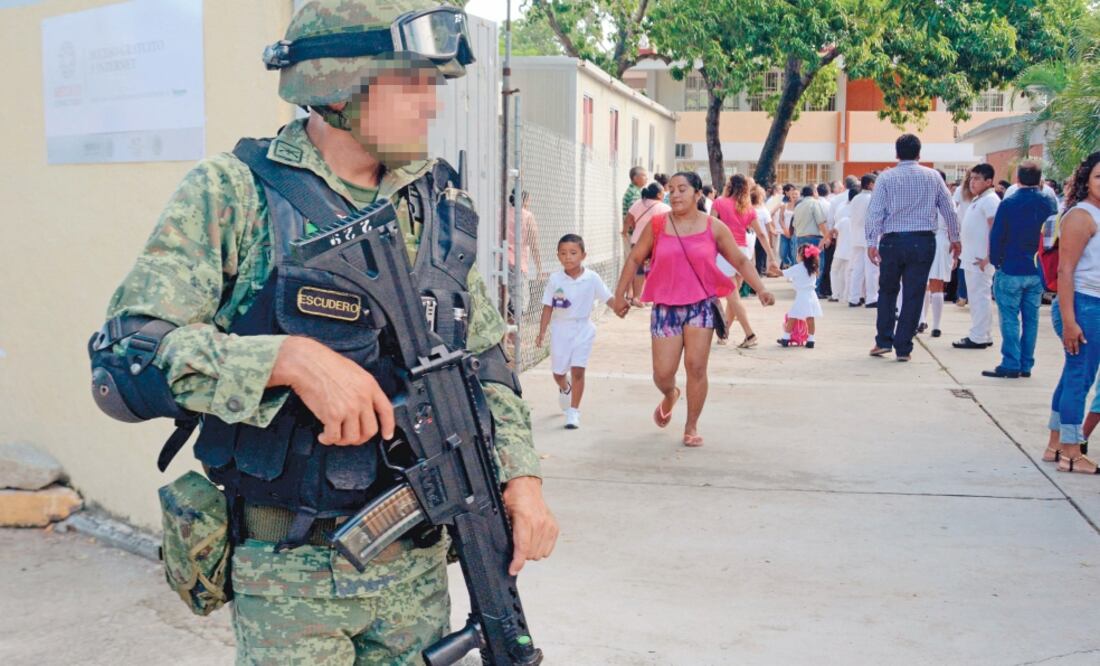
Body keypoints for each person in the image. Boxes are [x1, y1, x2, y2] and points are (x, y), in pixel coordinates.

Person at [87, 2, 558, 661]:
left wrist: (522, 480)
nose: (431, 106)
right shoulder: (235, 193)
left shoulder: (439, 208)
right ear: (340, 84)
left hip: (417, 581)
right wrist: (286, 360)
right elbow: (126, 361)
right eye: (411, 84)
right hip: (289, 578)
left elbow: (485, 364)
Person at [612, 172, 775, 447]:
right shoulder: (658, 224)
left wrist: (761, 288)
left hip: (700, 305)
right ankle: (670, 395)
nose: (675, 194)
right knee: (663, 373)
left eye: (682, 189)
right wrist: (619, 295)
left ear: (698, 194)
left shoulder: (713, 227)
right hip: (666, 306)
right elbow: (635, 258)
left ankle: (691, 425)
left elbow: (739, 260)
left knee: (696, 367)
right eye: (671, 189)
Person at [866, 134, 961, 362]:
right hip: (923, 240)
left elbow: (875, 212)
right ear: (919, 154)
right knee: (914, 293)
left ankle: (883, 341)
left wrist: (871, 242)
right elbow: (949, 208)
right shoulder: (933, 177)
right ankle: (904, 347)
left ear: (896, 153)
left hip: (892, 240)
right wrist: (955, 237)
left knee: (887, 291)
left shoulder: (886, 178)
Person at [1043, 151, 1100, 474]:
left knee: (1072, 376)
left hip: (1092, 304)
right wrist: (1069, 320)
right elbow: (1066, 271)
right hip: (1083, 304)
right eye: (1098, 177)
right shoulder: (1081, 216)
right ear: (1086, 180)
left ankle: (1054, 444)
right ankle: (1071, 450)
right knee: (1080, 377)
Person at [983, 161, 1059, 378]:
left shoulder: (1009, 202)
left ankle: (1011, 362)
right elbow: (1051, 237)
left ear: (1017, 179)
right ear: (1040, 179)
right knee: (1031, 318)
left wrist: (996, 262)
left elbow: (997, 235)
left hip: (1011, 266)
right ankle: (1026, 364)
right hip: (1036, 268)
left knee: (1009, 317)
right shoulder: (1049, 203)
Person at [535, 234, 613, 429]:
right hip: (561, 328)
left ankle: (573, 412)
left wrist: (621, 306)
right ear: (558, 256)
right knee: (558, 373)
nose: (568, 257)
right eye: (563, 253)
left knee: (578, 370)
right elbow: (548, 307)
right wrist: (542, 332)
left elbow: (608, 297)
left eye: (573, 253)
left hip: (583, 328)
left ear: (583, 255)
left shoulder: (591, 278)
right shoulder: (555, 279)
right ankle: (565, 387)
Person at [712, 174, 780, 348]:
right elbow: (762, 235)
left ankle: (749, 334)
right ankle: (724, 333)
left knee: (733, 298)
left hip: (725, 253)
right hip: (743, 253)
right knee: (733, 298)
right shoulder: (749, 208)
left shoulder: (719, 202)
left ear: (730, 186)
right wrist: (772, 258)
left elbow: (709, 228)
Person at [953, 163, 1001, 350]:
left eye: (977, 179)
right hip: (972, 256)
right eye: (971, 178)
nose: (972, 182)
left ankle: (979, 336)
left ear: (989, 181)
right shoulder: (979, 199)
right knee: (976, 296)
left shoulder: (990, 200)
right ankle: (982, 333)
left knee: (980, 296)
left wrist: (989, 257)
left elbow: (994, 228)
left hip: (980, 259)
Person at [921, 170, 957, 337]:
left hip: (927, 239)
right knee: (936, 285)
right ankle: (935, 325)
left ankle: (923, 320)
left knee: (925, 284)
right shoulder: (948, 199)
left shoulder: (924, 198)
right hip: (942, 241)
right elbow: (954, 223)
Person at [622, 183, 670, 307]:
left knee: (638, 270)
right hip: (656, 243)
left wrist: (625, 231)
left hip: (637, 240)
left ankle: (636, 298)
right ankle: (655, 296)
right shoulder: (664, 208)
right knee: (656, 269)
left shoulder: (638, 203)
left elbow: (628, 219)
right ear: (659, 194)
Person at [506, 190, 544, 320]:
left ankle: (506, 334)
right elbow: (534, 245)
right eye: (528, 200)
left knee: (504, 298)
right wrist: (539, 267)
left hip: (499, 259)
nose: (529, 203)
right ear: (523, 201)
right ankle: (515, 334)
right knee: (519, 300)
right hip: (517, 263)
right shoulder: (527, 216)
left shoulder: (502, 213)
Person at [778, 244, 824, 348]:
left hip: (802, 295)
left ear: (801, 256)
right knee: (810, 318)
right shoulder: (813, 267)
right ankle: (811, 340)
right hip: (812, 295)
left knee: (792, 316)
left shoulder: (798, 267)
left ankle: (786, 338)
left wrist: (772, 269)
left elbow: (782, 273)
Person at [847, 174, 878, 307]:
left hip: (855, 236)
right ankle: (871, 298)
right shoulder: (872, 198)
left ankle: (854, 297)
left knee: (857, 269)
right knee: (871, 269)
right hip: (869, 237)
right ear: (870, 184)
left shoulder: (855, 199)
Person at [829, 188, 858, 307]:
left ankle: (836, 294)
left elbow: (834, 231)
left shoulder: (841, 208)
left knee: (836, 271)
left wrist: (827, 240)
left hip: (840, 248)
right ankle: (847, 295)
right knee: (848, 273)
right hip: (853, 248)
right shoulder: (859, 212)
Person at [776, 184, 800, 268]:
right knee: (782, 254)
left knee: (794, 253)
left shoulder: (800, 206)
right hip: (785, 232)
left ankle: (793, 269)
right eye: (793, 194)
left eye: (796, 194)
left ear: (799, 195)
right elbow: (780, 219)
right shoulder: (784, 205)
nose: (794, 196)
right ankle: (789, 264)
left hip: (795, 233)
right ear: (789, 195)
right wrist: (785, 229)